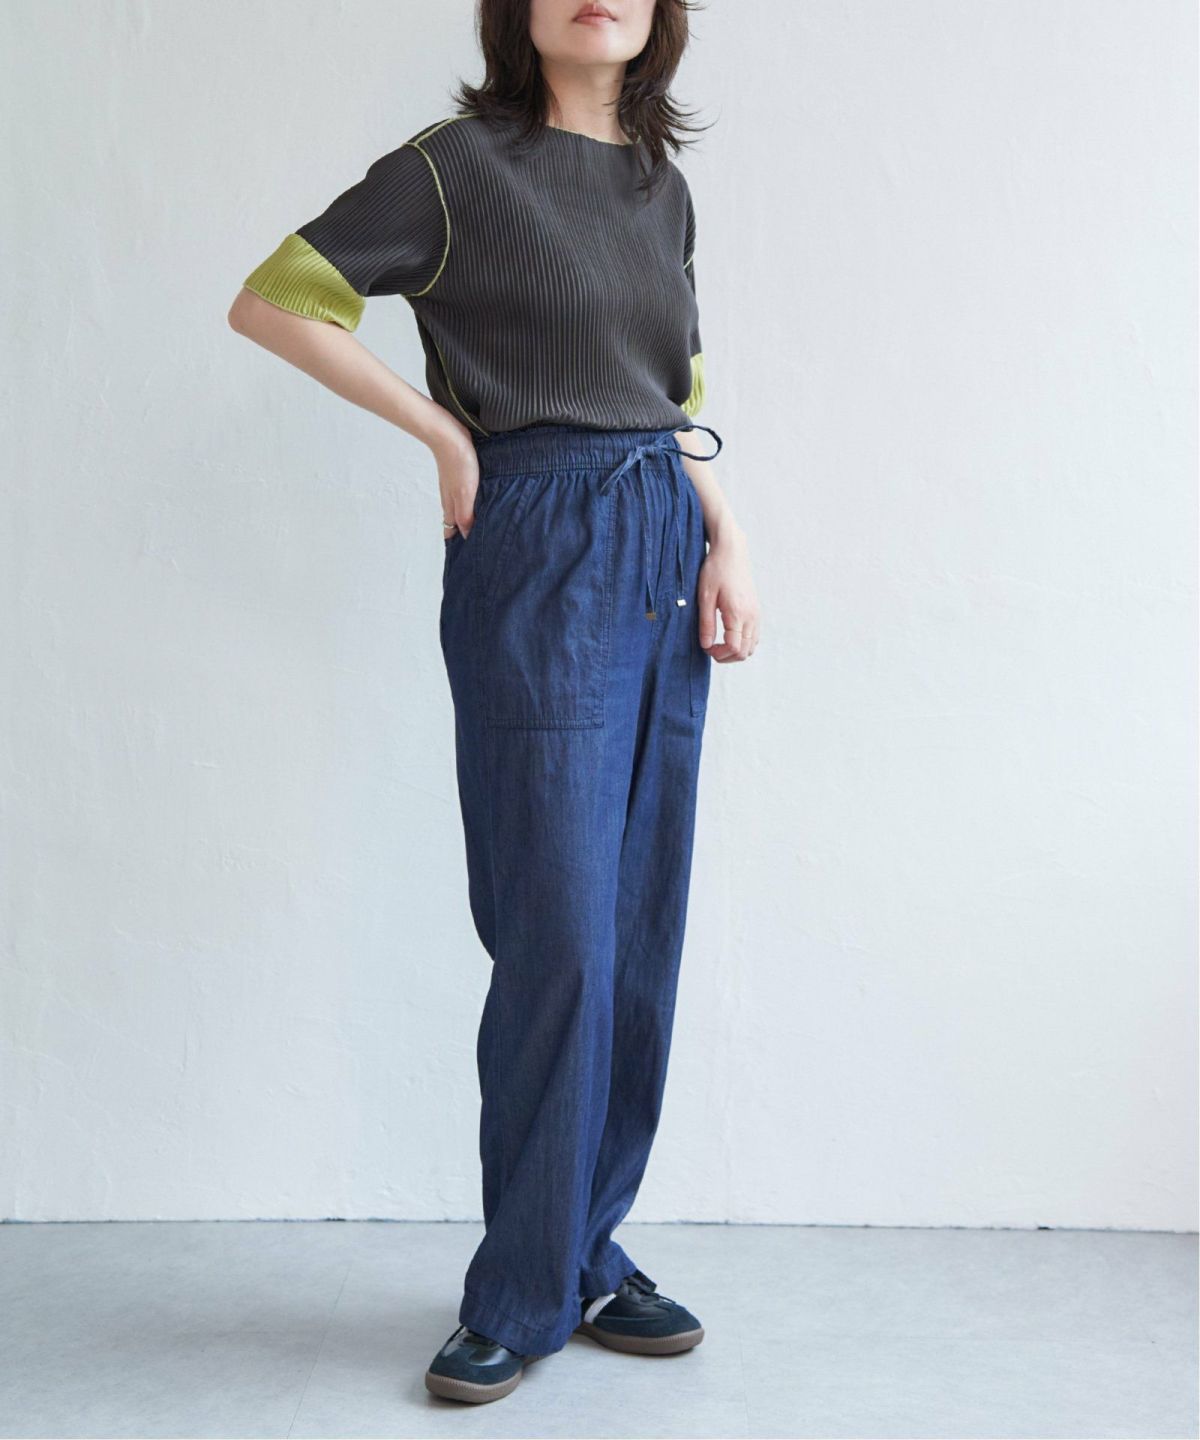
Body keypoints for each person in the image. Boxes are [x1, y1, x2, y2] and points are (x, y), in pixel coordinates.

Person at [228, 0, 760, 1406]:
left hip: (662, 536)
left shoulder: (660, 188)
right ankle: (520, 1289)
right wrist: (441, 431)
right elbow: (277, 296)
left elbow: (677, 391)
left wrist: (728, 536)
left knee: (637, 931)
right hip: (539, 539)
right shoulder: (458, 168)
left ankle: (585, 1251)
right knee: (560, 931)